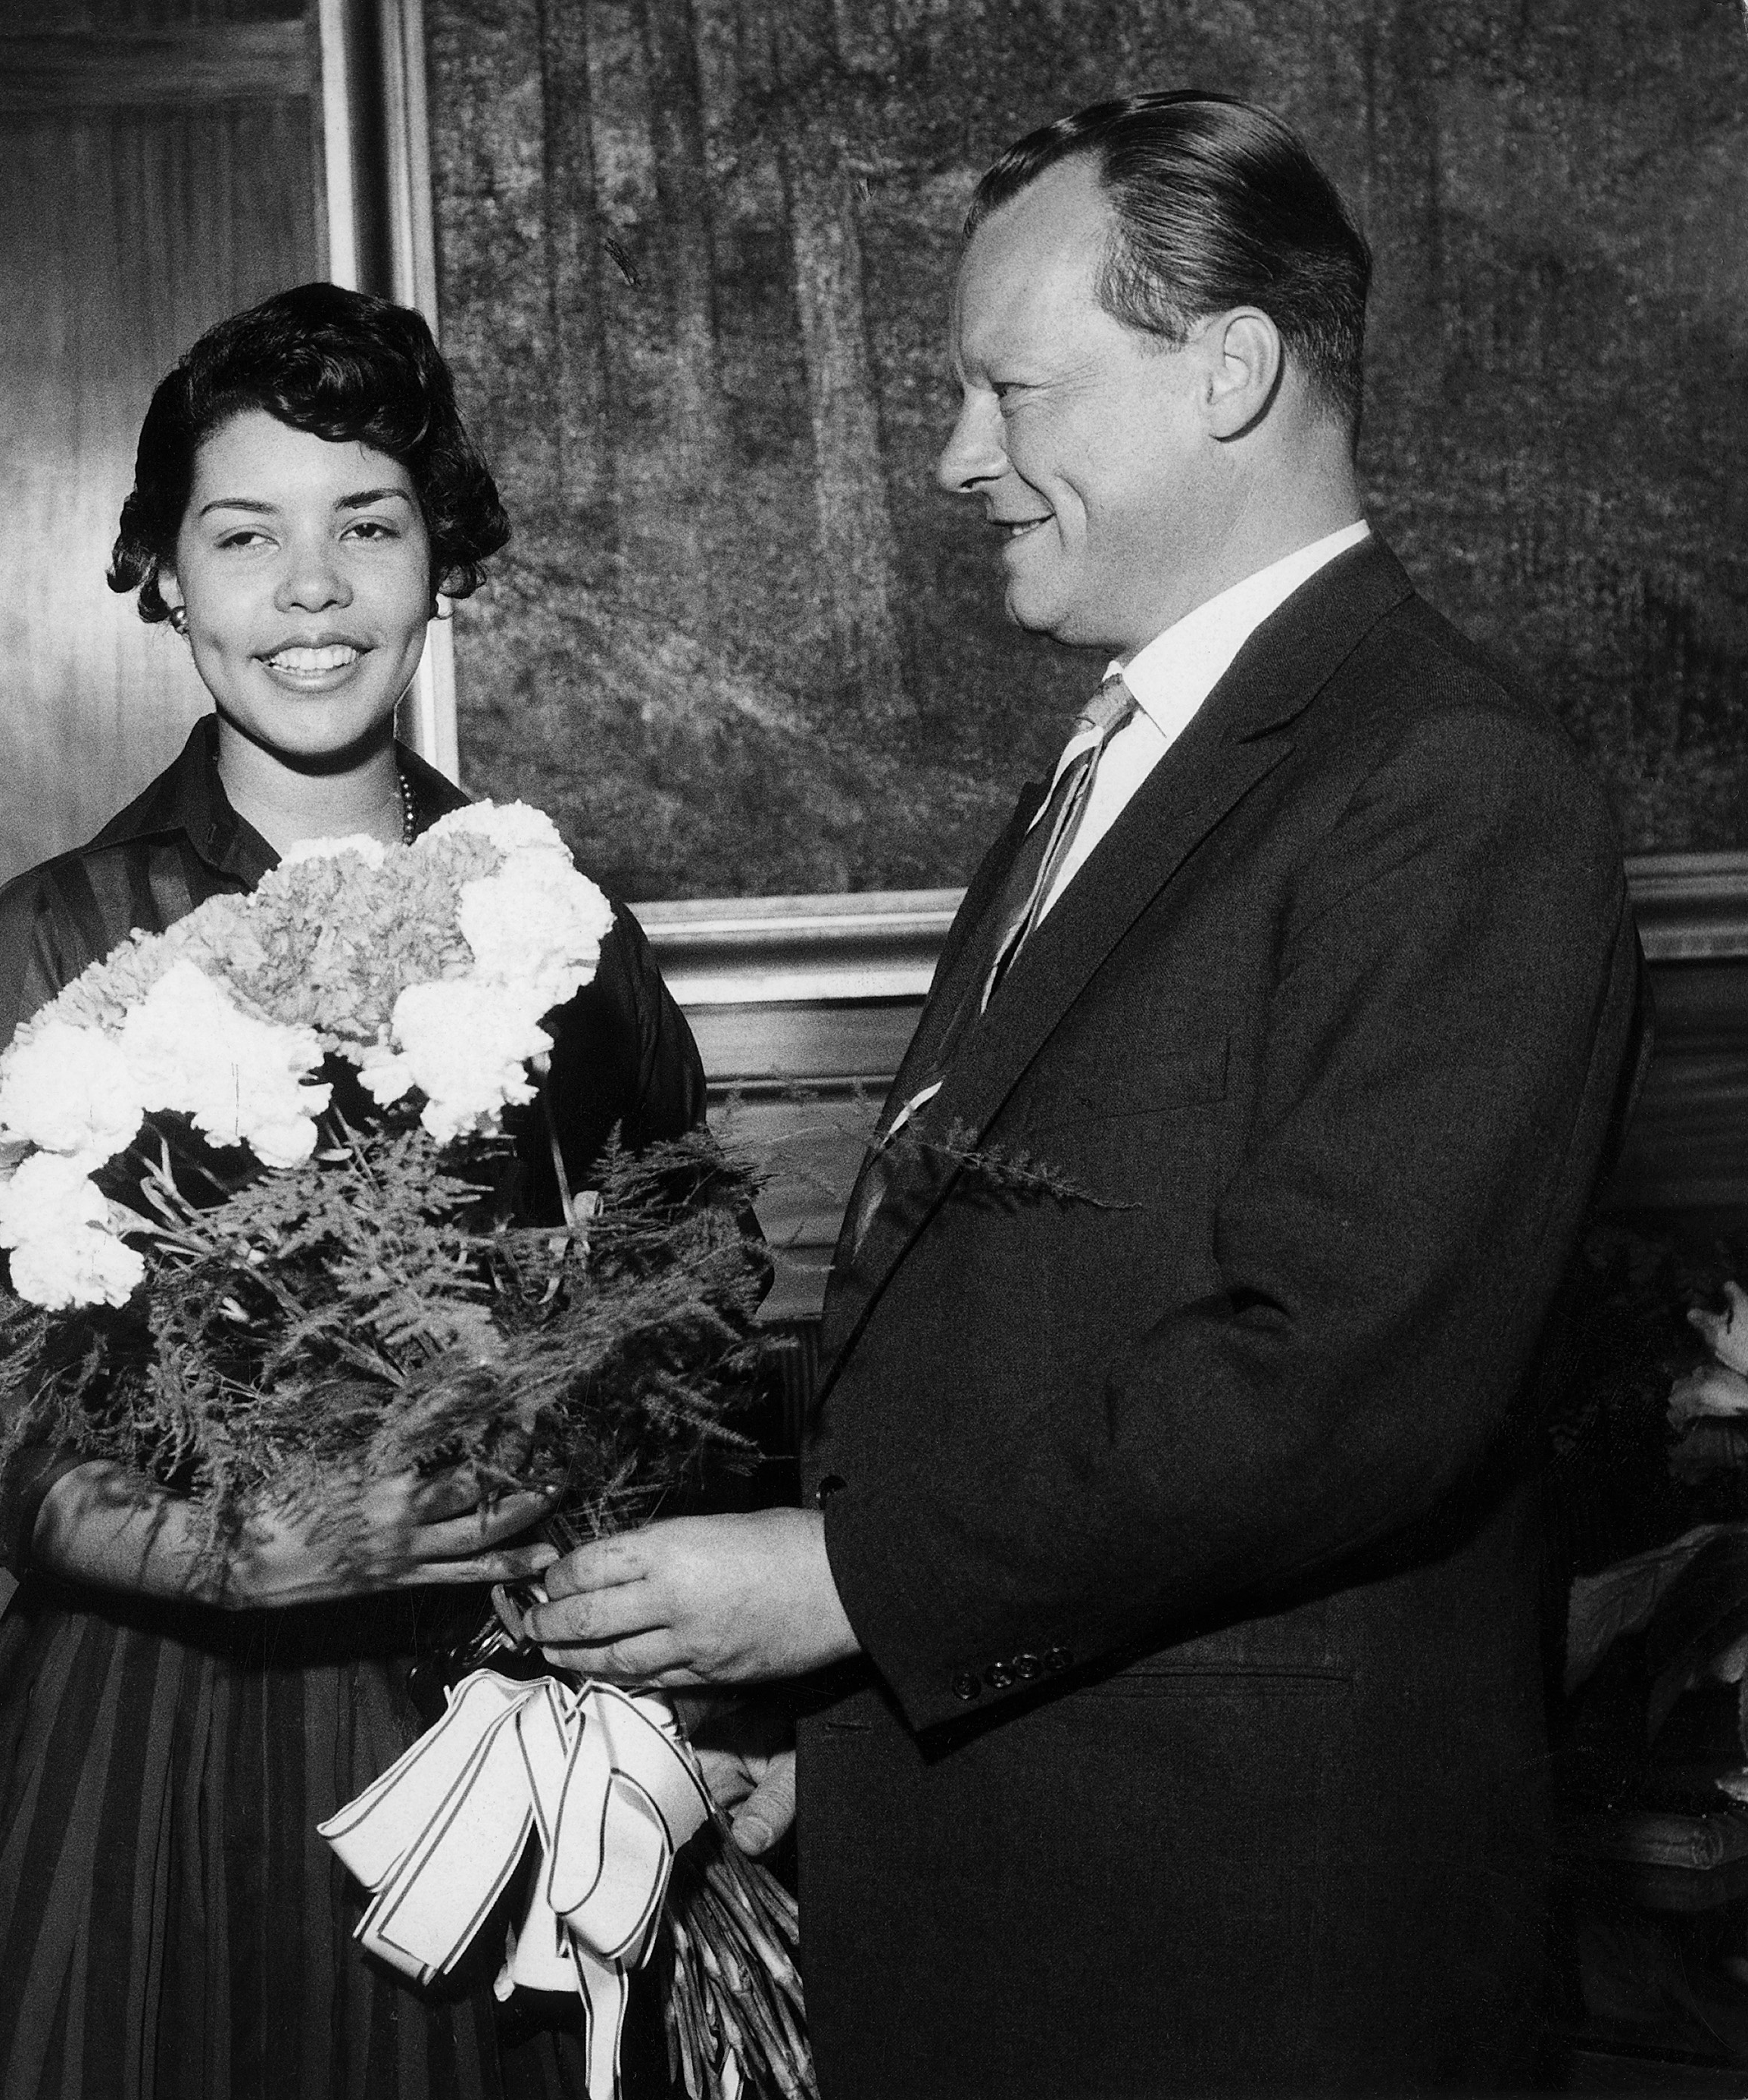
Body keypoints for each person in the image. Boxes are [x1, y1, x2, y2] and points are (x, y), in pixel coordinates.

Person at [520, 90, 1645, 2094]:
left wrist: (840, 1581)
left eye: (1004, 386)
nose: (958, 456)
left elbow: (1334, 1374)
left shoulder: (1450, 784)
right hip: (1028, 1870)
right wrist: (842, 1736)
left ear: (1223, 369)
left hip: (1240, 1949)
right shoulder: (1128, 747)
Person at [0, 282, 707, 2100]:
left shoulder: (566, 934)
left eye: (367, 527)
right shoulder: (63, 933)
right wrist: (230, 1555)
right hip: (167, 1748)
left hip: (505, 1716)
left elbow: (688, 1310)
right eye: (245, 536)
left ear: (437, 563)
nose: (310, 589)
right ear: (165, 575)